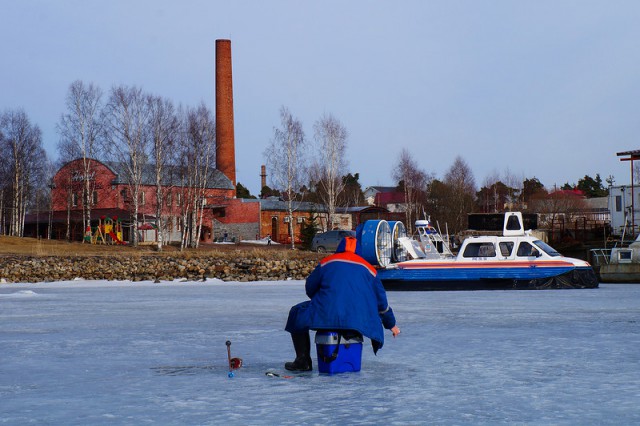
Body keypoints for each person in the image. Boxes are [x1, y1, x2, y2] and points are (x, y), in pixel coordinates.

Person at [284, 236, 400, 371]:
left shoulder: (327, 262)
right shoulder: (370, 270)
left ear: (339, 248)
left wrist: (322, 300)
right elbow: (382, 303)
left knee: (296, 312)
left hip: (326, 314)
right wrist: (391, 324)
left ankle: (302, 360)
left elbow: (310, 287)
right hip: (358, 320)